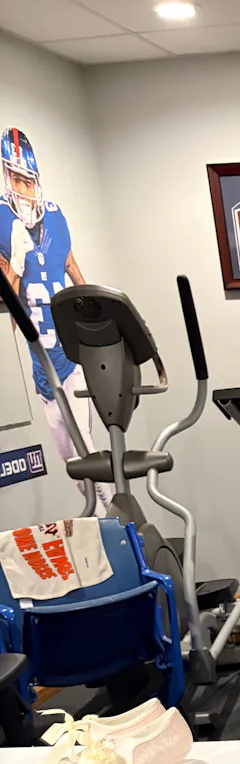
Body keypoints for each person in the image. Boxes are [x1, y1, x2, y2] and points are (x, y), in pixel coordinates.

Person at [0, 127, 113, 512]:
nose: (24, 188)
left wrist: (101, 310)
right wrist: (15, 265)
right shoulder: (2, 219)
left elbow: (70, 264)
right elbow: (8, 305)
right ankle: (103, 518)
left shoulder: (53, 216)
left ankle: (113, 520)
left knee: (85, 447)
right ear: (6, 177)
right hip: (40, 366)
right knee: (70, 459)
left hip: (69, 355)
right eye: (17, 179)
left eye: (28, 180)